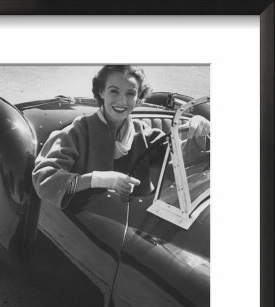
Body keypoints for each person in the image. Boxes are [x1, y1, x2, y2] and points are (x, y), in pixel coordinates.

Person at [32, 65, 209, 210]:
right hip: (85, 228)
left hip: (133, 226)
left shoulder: (144, 134)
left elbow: (178, 163)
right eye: (114, 91)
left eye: (130, 93)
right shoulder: (76, 132)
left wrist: (199, 133)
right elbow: (45, 179)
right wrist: (99, 179)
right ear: (101, 92)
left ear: (139, 99)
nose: (122, 101)